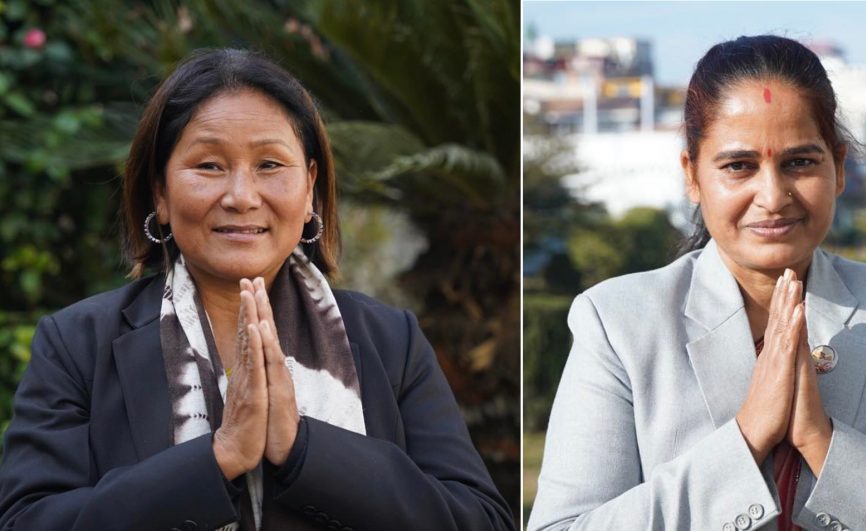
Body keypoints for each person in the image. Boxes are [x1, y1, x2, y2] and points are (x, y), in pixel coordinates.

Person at [0, 49, 514, 531]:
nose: (241, 197)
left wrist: (302, 447)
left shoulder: (388, 340)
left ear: (310, 187)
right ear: (159, 191)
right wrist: (218, 457)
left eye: (270, 165)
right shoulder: (77, 344)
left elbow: (480, 518)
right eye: (209, 166)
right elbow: (27, 521)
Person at [528, 35, 866, 531]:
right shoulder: (619, 324)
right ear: (692, 176)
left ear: (840, 168)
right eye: (739, 166)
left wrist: (823, 444)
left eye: (800, 163)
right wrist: (745, 438)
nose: (773, 195)